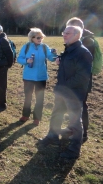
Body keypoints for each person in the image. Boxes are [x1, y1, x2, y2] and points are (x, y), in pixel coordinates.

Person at [39, 26, 92, 159]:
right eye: (63, 32)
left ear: (77, 35)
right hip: (62, 91)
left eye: (67, 33)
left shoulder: (83, 53)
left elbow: (82, 77)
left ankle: (73, 151)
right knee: (56, 114)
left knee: (74, 122)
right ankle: (52, 137)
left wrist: (64, 87)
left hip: (73, 94)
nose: (64, 35)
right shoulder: (69, 50)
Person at [17, 28, 57, 126]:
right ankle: (25, 115)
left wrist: (53, 54)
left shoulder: (44, 47)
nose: (40, 39)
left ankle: (37, 118)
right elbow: (19, 58)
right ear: (32, 38)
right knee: (28, 97)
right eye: (38, 37)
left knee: (40, 98)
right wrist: (26, 61)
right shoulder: (26, 46)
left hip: (41, 77)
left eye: (41, 37)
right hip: (28, 77)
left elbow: (51, 58)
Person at [65, 17, 95, 142]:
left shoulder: (88, 41)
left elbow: (84, 63)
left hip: (83, 81)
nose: (66, 34)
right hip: (75, 79)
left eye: (69, 30)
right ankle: (73, 129)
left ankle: (83, 133)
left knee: (81, 106)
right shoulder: (78, 40)